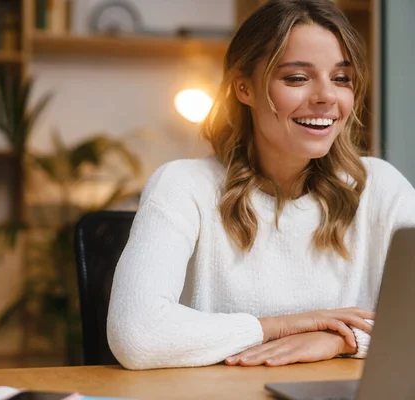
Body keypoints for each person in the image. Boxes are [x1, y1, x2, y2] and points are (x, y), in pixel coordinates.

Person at [106, 0, 415, 370]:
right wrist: (280, 327)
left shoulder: (378, 185)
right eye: (297, 78)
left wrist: (338, 340)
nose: (326, 97)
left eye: (341, 78)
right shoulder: (182, 185)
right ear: (244, 88)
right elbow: (137, 334)